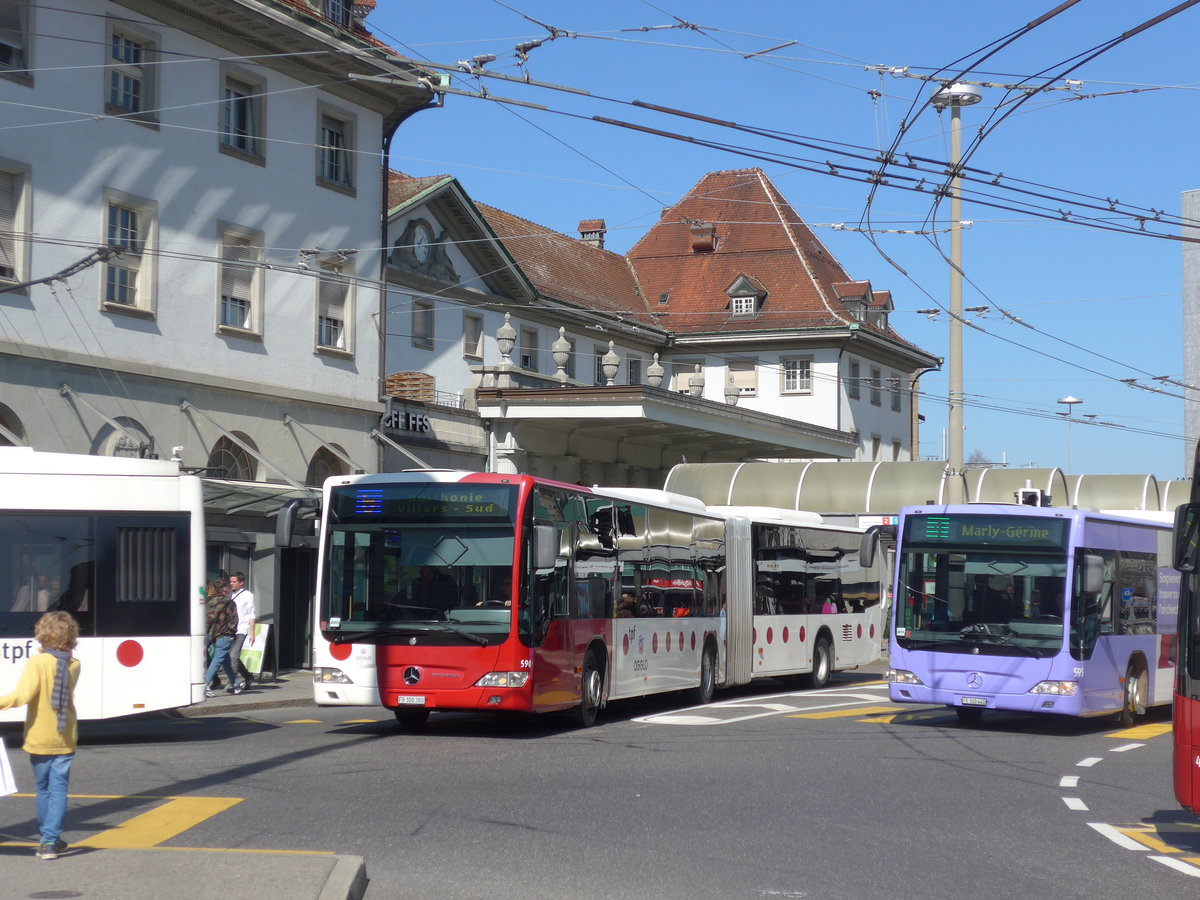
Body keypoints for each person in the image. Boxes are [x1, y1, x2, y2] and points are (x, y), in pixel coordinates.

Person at [0, 610, 81, 860]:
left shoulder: (37, 662)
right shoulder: (74, 664)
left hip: (39, 736)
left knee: (43, 788)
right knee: (59, 790)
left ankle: (46, 839)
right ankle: (50, 842)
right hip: (65, 735)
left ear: (43, 634)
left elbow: (22, 696)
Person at [203, 579, 241, 697]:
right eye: (227, 588)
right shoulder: (229, 603)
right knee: (218, 660)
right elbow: (233, 620)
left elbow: (207, 620)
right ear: (224, 590)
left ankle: (236, 684)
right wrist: (231, 633)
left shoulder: (211, 602)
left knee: (226, 661)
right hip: (225, 634)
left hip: (213, 634)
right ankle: (205, 685)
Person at [227, 572, 256, 690]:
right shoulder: (229, 594)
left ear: (241, 582)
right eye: (230, 581)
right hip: (229, 630)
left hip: (241, 629)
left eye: (234, 582)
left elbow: (252, 615)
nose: (231, 584)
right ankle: (248, 676)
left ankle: (232, 682)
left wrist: (252, 633)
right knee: (231, 657)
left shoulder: (248, 595)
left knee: (233, 656)